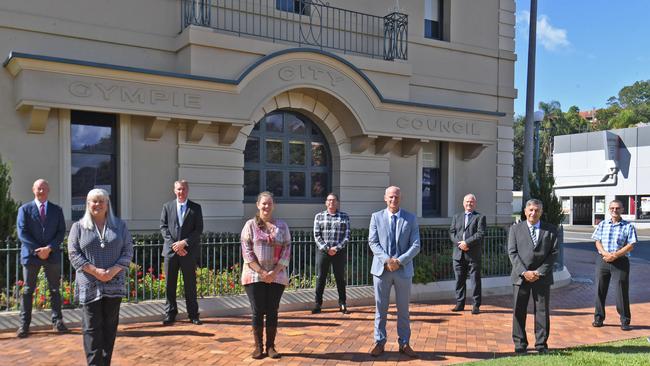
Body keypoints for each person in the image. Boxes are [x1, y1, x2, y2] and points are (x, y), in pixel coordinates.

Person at [68, 188, 133, 366]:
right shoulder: (78, 227)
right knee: (91, 328)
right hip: (89, 284)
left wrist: (112, 271)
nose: (97, 204)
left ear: (107, 204)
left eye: (101, 201)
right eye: (93, 201)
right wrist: (96, 271)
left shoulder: (120, 226)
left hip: (114, 284)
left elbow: (128, 251)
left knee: (110, 328)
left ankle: (106, 363)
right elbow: (73, 254)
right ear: (88, 205)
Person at [368, 186, 420, 358]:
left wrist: (399, 261)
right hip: (381, 270)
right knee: (380, 309)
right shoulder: (376, 217)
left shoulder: (410, 218)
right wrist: (387, 260)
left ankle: (404, 343)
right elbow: (373, 242)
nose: (393, 200)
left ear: (401, 198)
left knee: (403, 310)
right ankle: (379, 342)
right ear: (385, 198)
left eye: (396, 197)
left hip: (403, 270)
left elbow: (416, 245)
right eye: (390, 197)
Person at [240, 191, 291, 359]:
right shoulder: (250, 225)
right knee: (257, 310)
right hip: (254, 276)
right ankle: (258, 347)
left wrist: (273, 273)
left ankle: (271, 347)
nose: (266, 206)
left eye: (269, 203)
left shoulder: (282, 226)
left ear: (273, 206)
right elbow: (247, 253)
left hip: (276, 276)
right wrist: (262, 272)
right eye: (263, 203)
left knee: (272, 310)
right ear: (258, 205)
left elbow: (286, 250)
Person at [16, 179, 68, 338]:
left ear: (48, 190)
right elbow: (22, 233)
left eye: (44, 188)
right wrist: (38, 250)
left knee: (54, 290)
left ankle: (57, 322)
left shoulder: (57, 210)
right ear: (33, 190)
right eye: (39, 188)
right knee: (27, 290)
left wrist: (49, 248)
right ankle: (24, 325)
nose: (41, 191)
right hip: (31, 255)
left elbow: (61, 232)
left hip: (51, 254)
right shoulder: (24, 209)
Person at [508, 199, 558, 355]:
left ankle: (541, 344)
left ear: (541, 212)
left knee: (542, 311)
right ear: (525, 211)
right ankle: (520, 343)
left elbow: (554, 254)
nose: (533, 213)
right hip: (520, 277)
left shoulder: (550, 230)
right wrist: (524, 272)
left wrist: (539, 272)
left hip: (541, 278)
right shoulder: (515, 229)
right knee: (519, 311)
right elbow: (512, 252)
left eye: (536, 210)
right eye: (530, 210)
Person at [160, 179, 204, 325]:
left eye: (183, 189)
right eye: (178, 189)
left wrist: (184, 243)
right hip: (171, 252)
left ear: (187, 190)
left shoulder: (196, 208)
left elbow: (198, 230)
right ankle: (170, 313)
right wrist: (175, 246)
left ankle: (193, 314)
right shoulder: (167, 207)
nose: (181, 192)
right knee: (169, 285)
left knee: (190, 285)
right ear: (174, 190)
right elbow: (163, 227)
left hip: (188, 252)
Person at [591, 199, 637, 331]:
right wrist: (605, 253)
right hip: (603, 260)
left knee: (621, 292)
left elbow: (631, 245)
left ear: (622, 210)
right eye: (612, 208)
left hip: (621, 262)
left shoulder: (628, 226)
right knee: (600, 290)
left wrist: (615, 255)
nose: (614, 210)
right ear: (609, 210)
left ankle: (625, 321)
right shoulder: (602, 224)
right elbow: (597, 241)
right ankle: (598, 319)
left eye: (617, 208)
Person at [312, 193, 351, 314]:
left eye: (334, 200)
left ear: (337, 202)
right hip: (323, 252)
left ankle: (342, 303)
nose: (331, 203)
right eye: (329, 200)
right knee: (320, 278)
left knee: (340, 278)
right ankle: (318, 304)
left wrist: (336, 248)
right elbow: (316, 235)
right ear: (326, 202)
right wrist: (326, 248)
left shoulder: (344, 217)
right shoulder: (319, 216)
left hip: (338, 252)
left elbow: (347, 235)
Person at [449, 193, 486, 314]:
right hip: (458, 254)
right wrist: (460, 244)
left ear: (474, 203)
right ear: (463, 203)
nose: (469, 204)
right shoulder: (456, 216)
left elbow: (480, 234)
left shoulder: (480, 217)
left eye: (471, 202)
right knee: (459, 280)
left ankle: (476, 305)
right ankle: (460, 304)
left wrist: (467, 243)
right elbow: (452, 232)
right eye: (467, 202)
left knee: (475, 281)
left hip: (473, 255)